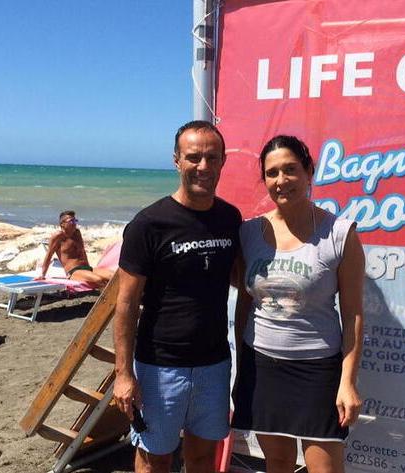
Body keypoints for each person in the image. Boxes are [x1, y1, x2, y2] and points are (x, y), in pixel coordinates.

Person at [113, 120, 242, 473]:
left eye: (211, 158)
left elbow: (241, 279)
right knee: (156, 459)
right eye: (193, 157)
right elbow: (124, 304)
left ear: (223, 161)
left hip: (214, 365)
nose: (203, 166)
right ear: (176, 160)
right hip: (159, 366)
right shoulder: (148, 224)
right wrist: (123, 374)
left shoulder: (230, 218)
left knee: (203, 458)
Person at [232, 135, 364, 473]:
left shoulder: (340, 233)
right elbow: (245, 302)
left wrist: (347, 382)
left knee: (325, 469)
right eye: (272, 172)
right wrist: (242, 363)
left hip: (318, 369)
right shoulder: (249, 232)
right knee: (277, 463)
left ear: (309, 172)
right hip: (262, 366)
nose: (280, 181)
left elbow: (353, 315)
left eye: (290, 170)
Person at [38, 210, 113, 287]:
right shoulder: (58, 237)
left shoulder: (77, 233)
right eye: (71, 221)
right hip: (74, 271)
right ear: (62, 224)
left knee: (113, 276)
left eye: (75, 221)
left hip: (87, 268)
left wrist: (89, 270)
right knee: (98, 280)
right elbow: (49, 255)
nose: (74, 223)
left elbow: (83, 251)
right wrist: (43, 275)